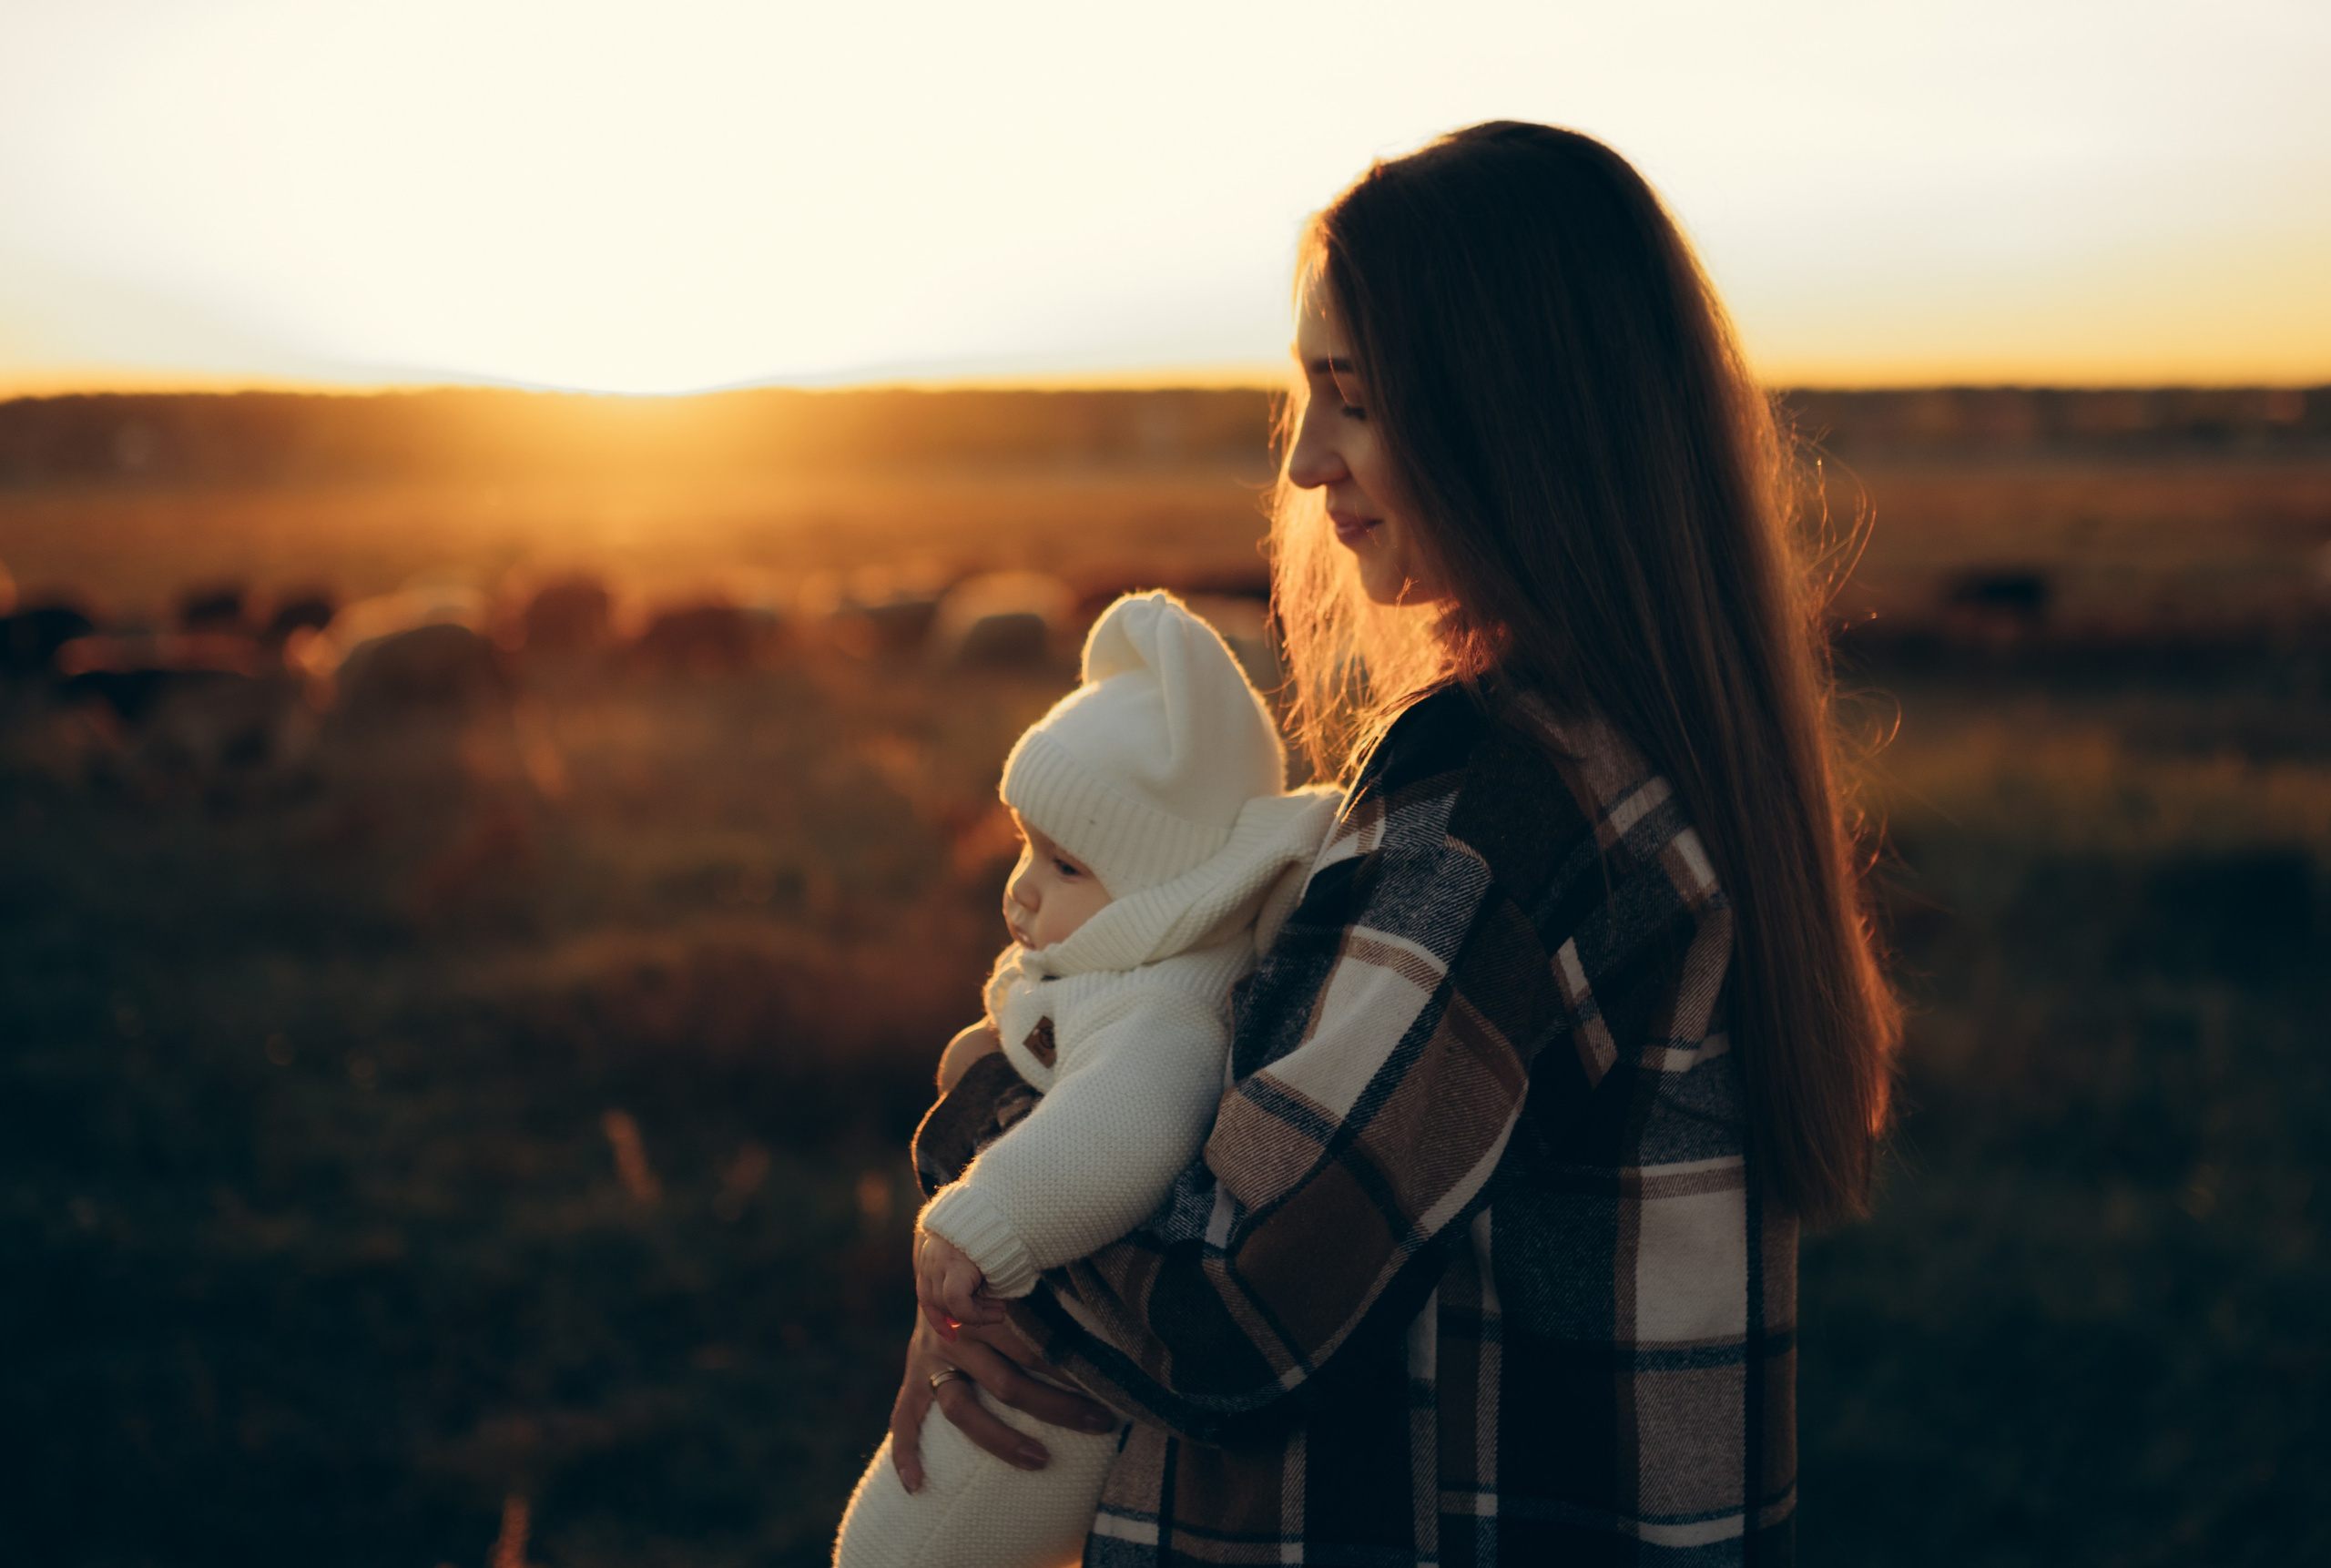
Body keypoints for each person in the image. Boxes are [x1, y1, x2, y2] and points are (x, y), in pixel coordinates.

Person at [885, 120, 1900, 1566]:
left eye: (1354, 402)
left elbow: (1238, 1306)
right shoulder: (1642, 748)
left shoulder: (1506, 800)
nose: (1306, 464)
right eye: (1308, 399)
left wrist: (996, 1168)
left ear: (1512, 416)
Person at [833, 591, 1339, 1568]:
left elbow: (1125, 1124)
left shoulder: (1165, 1008)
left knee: (894, 1553)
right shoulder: (1121, 966)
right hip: (1046, 1342)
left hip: (1060, 1396)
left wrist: (985, 1216)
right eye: (1025, 843)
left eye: (1066, 865)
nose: (1021, 886)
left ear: (1170, 887)